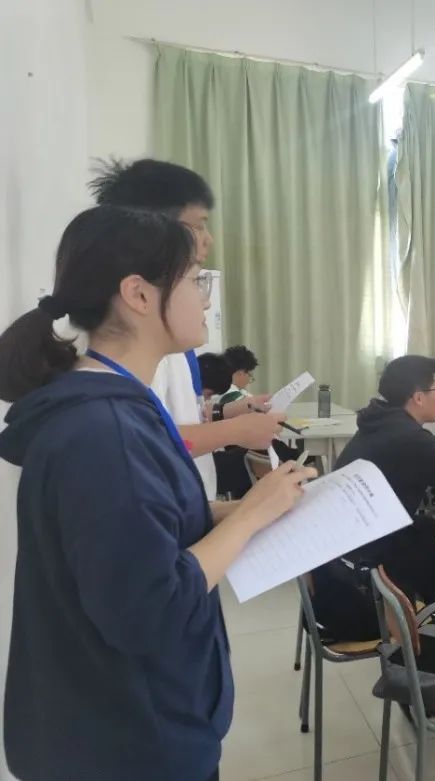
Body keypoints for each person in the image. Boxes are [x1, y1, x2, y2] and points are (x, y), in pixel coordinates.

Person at [0, 206, 316, 780]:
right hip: (128, 742)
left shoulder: (113, 405)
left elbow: (147, 525)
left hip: (114, 721)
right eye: (195, 279)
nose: (206, 298)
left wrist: (243, 509)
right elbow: (152, 609)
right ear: (139, 295)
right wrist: (250, 517)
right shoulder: (105, 433)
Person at [90, 159, 284, 499]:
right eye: (198, 226)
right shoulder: (138, 339)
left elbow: (176, 415)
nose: (208, 240)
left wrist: (226, 413)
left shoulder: (172, 336)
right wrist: (236, 431)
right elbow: (143, 441)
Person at [311, 356, 435, 640]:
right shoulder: (408, 438)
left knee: (426, 528)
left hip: (353, 553)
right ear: (418, 397)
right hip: (373, 571)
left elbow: (428, 460)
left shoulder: (383, 423)